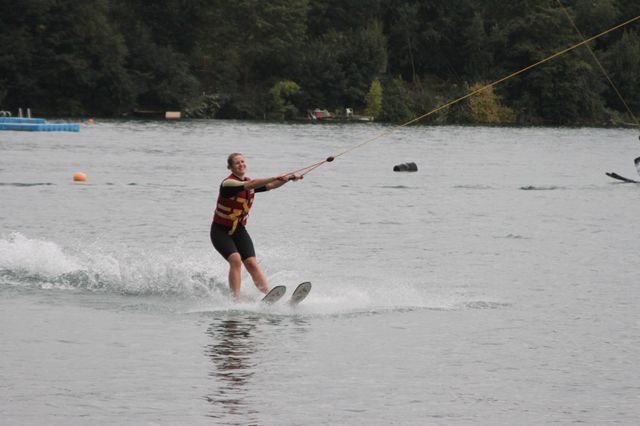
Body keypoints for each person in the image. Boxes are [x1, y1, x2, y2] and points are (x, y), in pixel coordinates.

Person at [211, 153, 302, 300]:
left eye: (242, 162)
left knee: (252, 263)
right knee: (235, 259)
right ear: (230, 167)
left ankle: (270, 296)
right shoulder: (228, 184)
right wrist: (276, 176)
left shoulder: (248, 183)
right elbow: (252, 184)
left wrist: (289, 178)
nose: (241, 164)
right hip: (220, 231)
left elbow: (271, 186)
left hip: (239, 230)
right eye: (237, 163)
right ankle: (235, 300)